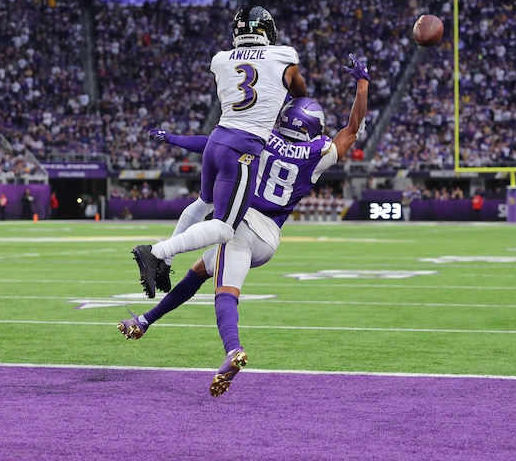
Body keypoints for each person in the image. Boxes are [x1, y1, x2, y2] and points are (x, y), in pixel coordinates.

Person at [119, 53, 369, 397]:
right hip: (270, 237)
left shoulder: (262, 136)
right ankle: (144, 322)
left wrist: (173, 138)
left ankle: (232, 348)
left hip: (243, 224)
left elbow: (210, 144)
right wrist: (362, 82)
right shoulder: (319, 152)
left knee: (226, 291)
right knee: (199, 271)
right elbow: (353, 129)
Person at [131, 5, 308, 299]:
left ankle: (166, 262)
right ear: (269, 32)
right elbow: (299, 91)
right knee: (225, 229)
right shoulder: (284, 56)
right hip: (243, 147)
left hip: (217, 140)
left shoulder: (220, 59)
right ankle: (157, 252)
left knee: (203, 203)